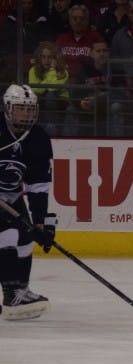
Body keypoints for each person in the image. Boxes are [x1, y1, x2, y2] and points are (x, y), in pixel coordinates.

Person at [0, 84, 56, 320]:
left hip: (10, 197)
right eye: (20, 108)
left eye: (29, 109)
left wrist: (41, 222)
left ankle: (21, 290)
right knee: (7, 235)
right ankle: (11, 294)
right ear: (8, 108)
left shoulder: (38, 138)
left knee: (25, 238)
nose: (26, 114)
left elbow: (38, 186)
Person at [64, 38, 123, 135]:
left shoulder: (116, 69)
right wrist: (81, 103)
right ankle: (68, 142)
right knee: (71, 109)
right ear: (91, 54)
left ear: (109, 53)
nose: (102, 54)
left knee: (116, 107)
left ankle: (118, 139)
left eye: (104, 51)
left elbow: (121, 93)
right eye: (98, 51)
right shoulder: (84, 68)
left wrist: (99, 98)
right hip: (89, 104)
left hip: (107, 104)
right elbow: (75, 92)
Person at [28, 40, 70, 134]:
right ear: (39, 58)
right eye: (43, 57)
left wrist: (51, 70)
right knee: (36, 97)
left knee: (50, 95)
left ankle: (52, 127)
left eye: (49, 57)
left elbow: (52, 88)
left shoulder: (63, 71)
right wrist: (47, 82)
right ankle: (37, 129)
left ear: (55, 58)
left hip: (60, 100)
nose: (46, 60)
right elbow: (36, 89)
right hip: (41, 99)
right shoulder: (33, 70)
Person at [56, 3, 103, 79]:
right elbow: (55, 62)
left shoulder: (96, 38)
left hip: (87, 82)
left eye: (82, 18)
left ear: (87, 21)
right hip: (63, 80)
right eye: (74, 18)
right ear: (70, 21)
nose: (78, 21)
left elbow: (101, 63)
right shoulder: (62, 39)